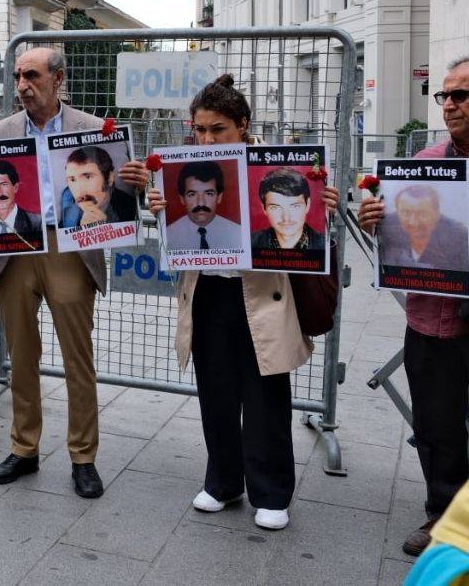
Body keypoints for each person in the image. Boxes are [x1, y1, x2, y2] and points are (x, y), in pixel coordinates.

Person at [0, 47, 148, 498]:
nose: (22, 85)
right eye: (18, 76)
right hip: (16, 250)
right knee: (20, 356)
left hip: (70, 248)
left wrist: (135, 181)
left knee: (78, 358)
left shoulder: (94, 129)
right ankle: (24, 448)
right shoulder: (2, 130)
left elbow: (121, 197)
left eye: (32, 76)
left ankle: (83, 457)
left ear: (57, 79)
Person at [147, 73, 338, 531]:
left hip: (261, 294)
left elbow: (302, 232)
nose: (207, 138)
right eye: (200, 129)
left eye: (218, 129)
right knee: (215, 392)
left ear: (243, 124)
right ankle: (223, 481)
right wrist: (159, 210)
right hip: (208, 290)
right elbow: (175, 242)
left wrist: (321, 205)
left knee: (265, 392)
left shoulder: (276, 168)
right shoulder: (185, 168)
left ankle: (271, 490)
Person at [359, 55, 469, 555]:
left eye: (460, 95)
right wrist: (377, 218)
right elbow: (399, 237)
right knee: (435, 423)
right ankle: (442, 518)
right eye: (444, 96)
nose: (450, 106)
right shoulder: (425, 163)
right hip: (431, 318)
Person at [378, 185, 469, 270]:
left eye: (422, 214)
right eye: (406, 213)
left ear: (437, 214)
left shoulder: (457, 236)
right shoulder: (386, 224)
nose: (413, 222)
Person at [164, 161, 243, 250]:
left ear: (219, 197)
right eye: (192, 194)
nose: (201, 203)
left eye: (209, 193)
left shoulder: (238, 234)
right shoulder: (168, 236)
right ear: (182, 199)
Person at [59, 146, 138, 227]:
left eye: (88, 177)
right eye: (72, 180)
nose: (79, 191)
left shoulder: (130, 208)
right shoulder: (67, 198)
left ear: (109, 178)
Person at [250, 169, 324, 251]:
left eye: (295, 206)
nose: (286, 218)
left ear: (307, 205)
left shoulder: (327, 245)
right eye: (275, 207)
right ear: (264, 208)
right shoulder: (249, 243)